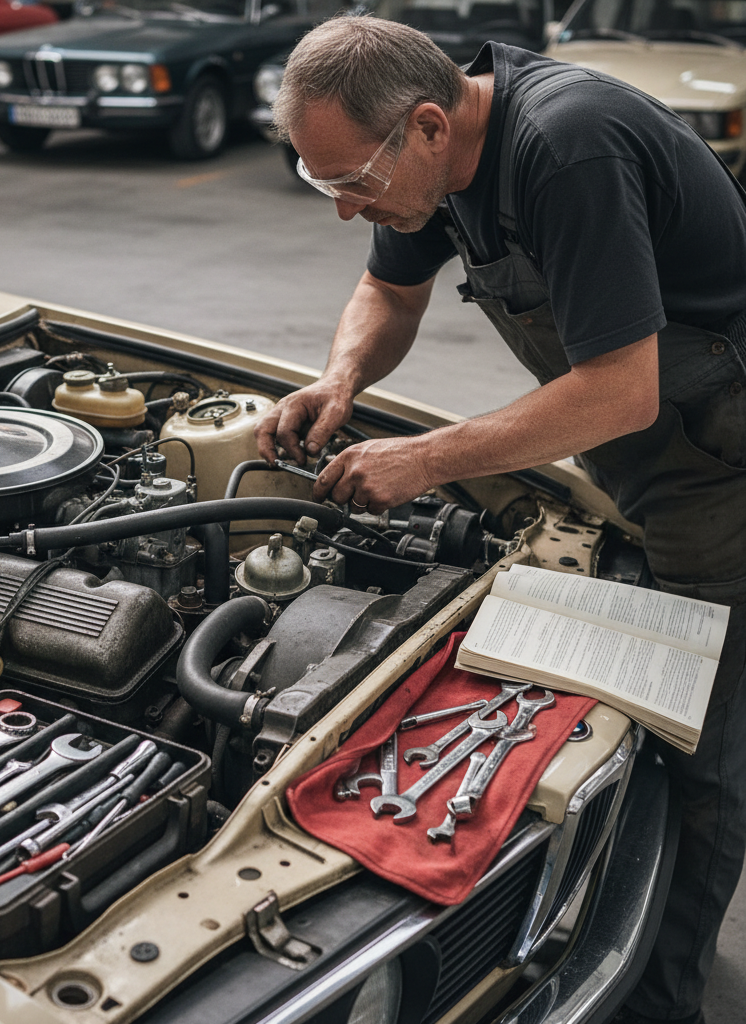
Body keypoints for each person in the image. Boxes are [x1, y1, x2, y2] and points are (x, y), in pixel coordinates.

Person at [254, 15, 746, 1024]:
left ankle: (660, 1001)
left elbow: (619, 391)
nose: (346, 209)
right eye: (320, 185)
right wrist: (338, 378)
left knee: (705, 745)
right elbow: (385, 291)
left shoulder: (566, 149)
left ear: (429, 126)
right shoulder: (424, 151)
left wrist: (425, 459)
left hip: (719, 460)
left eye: (349, 182)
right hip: (641, 445)